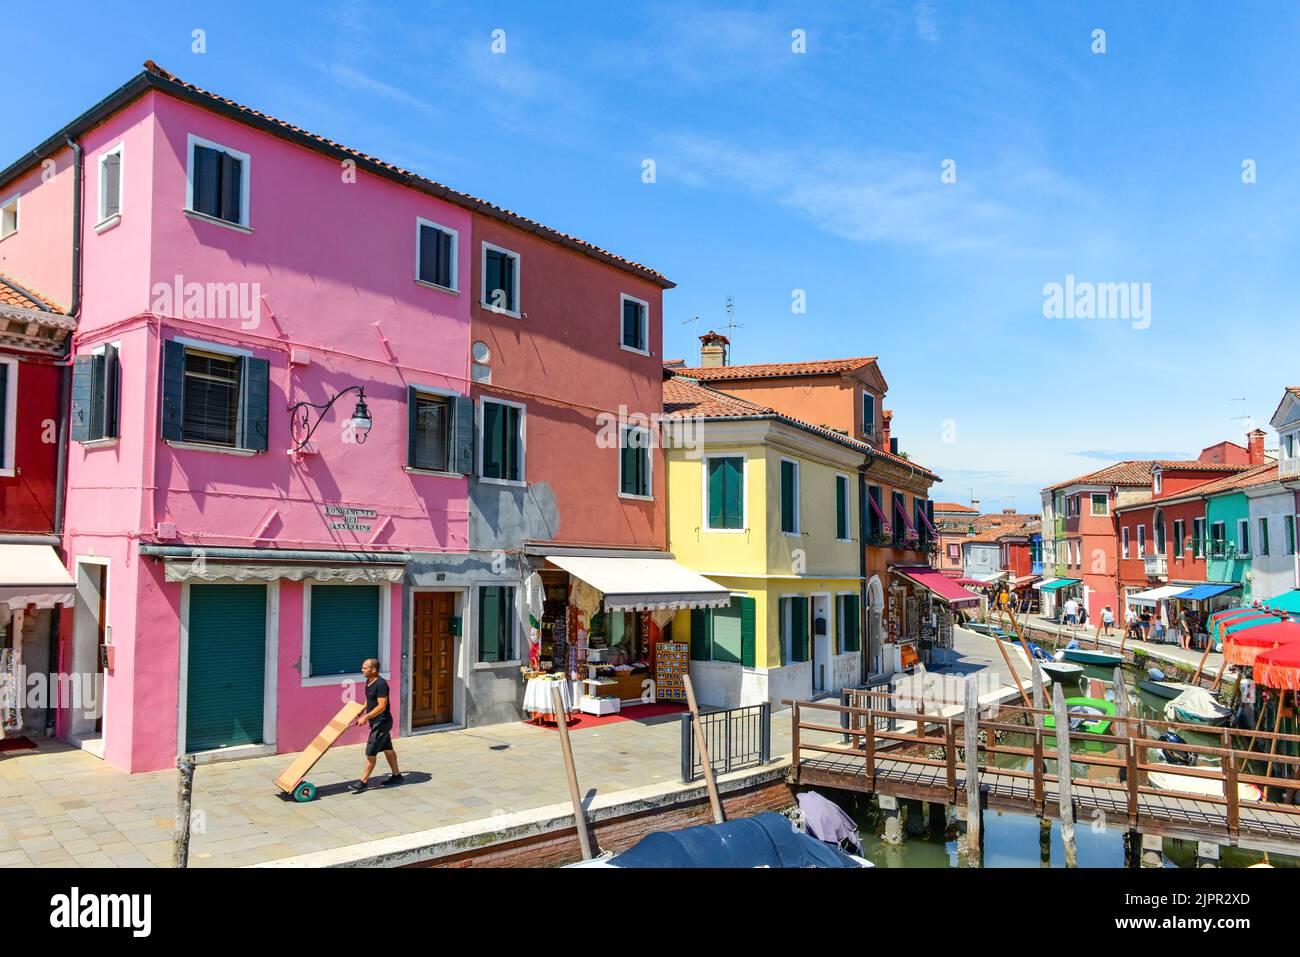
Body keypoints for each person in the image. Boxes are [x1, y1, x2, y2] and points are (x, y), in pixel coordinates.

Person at [350, 659, 403, 793]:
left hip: (382, 722)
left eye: (365, 668)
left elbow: (382, 706)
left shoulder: (381, 684)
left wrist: (366, 717)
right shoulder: (369, 681)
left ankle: (363, 782)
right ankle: (397, 776)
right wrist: (362, 709)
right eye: (362, 667)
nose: (362, 670)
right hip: (376, 722)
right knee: (388, 749)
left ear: (373, 670)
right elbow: (370, 699)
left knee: (371, 750)